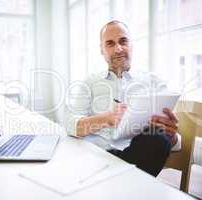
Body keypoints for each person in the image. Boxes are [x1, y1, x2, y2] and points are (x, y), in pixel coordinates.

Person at [65, 20, 181, 177]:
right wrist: (106, 119)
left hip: (139, 155)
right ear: (102, 50)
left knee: (160, 138)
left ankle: (121, 183)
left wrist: (172, 135)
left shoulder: (154, 82)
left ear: (131, 45)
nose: (118, 48)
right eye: (110, 44)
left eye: (123, 41)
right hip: (98, 157)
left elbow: (174, 143)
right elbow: (71, 125)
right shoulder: (90, 82)